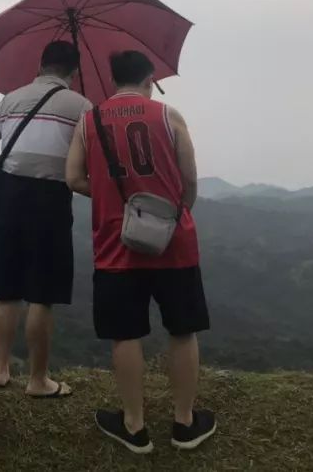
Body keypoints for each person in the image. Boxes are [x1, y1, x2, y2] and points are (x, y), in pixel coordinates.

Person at [65, 50, 215, 454]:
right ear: (150, 80)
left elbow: (73, 177)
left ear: (113, 80)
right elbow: (189, 181)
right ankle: (185, 424)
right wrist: (171, 213)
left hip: (116, 243)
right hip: (174, 241)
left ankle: (134, 427)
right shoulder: (169, 116)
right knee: (183, 330)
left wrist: (112, 198)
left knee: (125, 334)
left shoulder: (89, 120)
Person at [0, 40, 91, 397]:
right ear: (74, 72)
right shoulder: (82, 106)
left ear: (40, 66)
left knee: (5, 292)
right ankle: (38, 380)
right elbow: (88, 160)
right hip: (50, 199)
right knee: (41, 295)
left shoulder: (10, 98)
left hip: (7, 196)